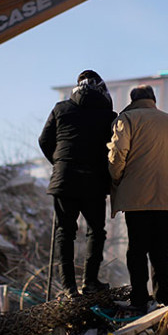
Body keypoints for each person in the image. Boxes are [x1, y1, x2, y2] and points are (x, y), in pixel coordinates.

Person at [107, 85, 168, 310]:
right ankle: (163, 296)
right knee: (160, 251)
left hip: (137, 199)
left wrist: (117, 180)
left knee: (137, 250)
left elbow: (117, 154)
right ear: (153, 100)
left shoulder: (126, 119)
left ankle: (139, 298)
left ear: (133, 100)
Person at [39, 70, 117, 298]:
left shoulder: (60, 108)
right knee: (96, 232)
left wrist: (59, 162)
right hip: (94, 182)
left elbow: (44, 140)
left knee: (65, 232)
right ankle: (90, 282)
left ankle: (68, 287)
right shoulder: (108, 115)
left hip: (64, 180)